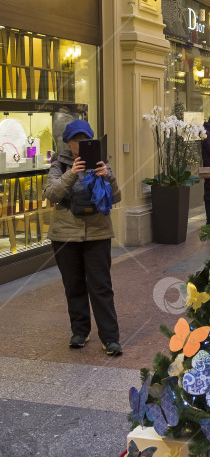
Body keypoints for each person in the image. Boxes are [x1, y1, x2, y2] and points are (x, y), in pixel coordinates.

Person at [43, 119, 122, 356]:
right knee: (73, 286)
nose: (80, 144)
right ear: (68, 143)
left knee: (101, 286)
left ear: (91, 140)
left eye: (85, 139)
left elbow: (116, 197)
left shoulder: (101, 163)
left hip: (97, 233)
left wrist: (108, 176)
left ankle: (110, 338)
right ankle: (80, 331)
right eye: (76, 140)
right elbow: (51, 194)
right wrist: (71, 174)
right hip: (65, 234)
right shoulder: (58, 164)